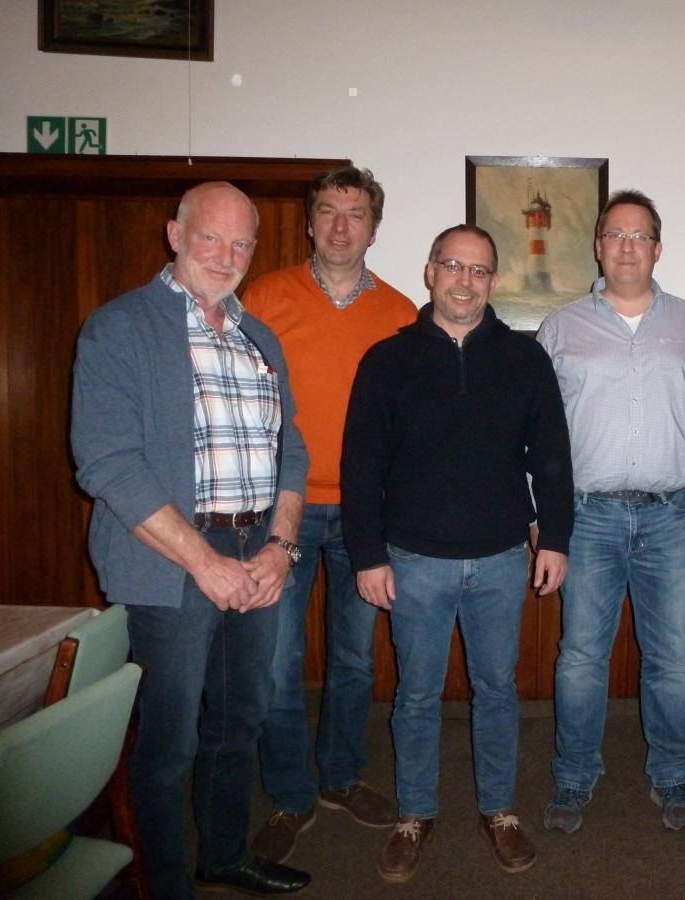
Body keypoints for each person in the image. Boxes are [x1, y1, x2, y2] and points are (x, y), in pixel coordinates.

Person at [71, 182, 311, 898]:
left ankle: (224, 855)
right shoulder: (119, 327)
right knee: (169, 740)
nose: (227, 256)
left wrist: (281, 547)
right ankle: (165, 884)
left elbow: (290, 450)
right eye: (211, 237)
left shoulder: (258, 337)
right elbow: (107, 461)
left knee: (240, 719)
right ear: (175, 235)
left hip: (256, 553)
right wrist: (204, 561)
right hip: (169, 561)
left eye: (242, 243)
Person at [341, 224, 573, 883]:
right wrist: (367, 555)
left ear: (493, 280)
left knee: (497, 689)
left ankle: (499, 809)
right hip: (413, 560)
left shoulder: (526, 360)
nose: (464, 281)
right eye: (452, 266)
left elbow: (552, 456)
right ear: (430, 271)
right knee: (416, 694)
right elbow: (361, 465)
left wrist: (555, 538)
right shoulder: (387, 360)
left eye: (477, 270)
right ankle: (414, 814)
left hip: (501, 558)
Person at [538, 189, 685, 833]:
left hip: (670, 516)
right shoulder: (561, 327)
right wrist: (542, 516)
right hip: (587, 518)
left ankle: (672, 776)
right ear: (598, 246)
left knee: (670, 659)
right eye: (615, 234)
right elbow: (533, 429)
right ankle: (574, 778)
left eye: (640, 235)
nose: (627, 246)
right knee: (580, 658)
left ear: (658, 248)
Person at [243, 165, 416, 863]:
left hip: (367, 514)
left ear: (375, 227)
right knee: (276, 661)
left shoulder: (401, 312)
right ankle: (291, 793)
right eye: (328, 212)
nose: (341, 227)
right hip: (279, 512)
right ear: (309, 222)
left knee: (353, 658)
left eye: (356, 214)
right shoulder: (264, 297)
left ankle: (342, 774)